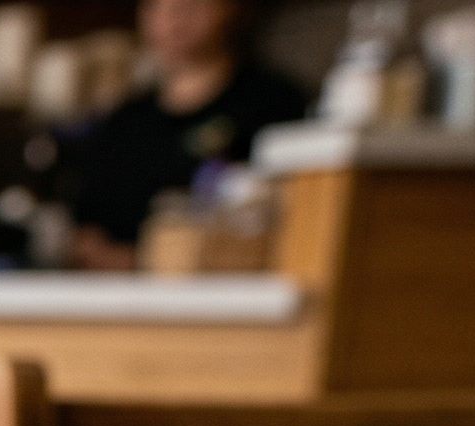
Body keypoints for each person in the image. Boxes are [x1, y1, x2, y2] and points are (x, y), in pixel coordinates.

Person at [66, 0, 306, 271]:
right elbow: (83, 225)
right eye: (158, 6)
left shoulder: (273, 104)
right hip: (121, 297)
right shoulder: (123, 122)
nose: (173, 18)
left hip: (231, 292)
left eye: (190, 5)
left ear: (230, 9)